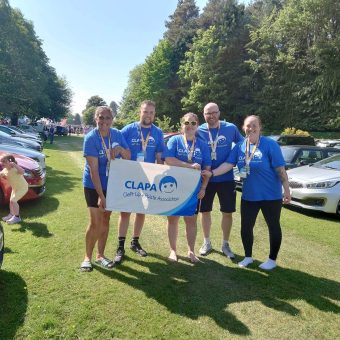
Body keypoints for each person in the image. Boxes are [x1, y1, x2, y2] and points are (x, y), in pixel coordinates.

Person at [202, 115, 291, 270]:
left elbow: (280, 170)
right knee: (246, 227)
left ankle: (272, 259)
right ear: (243, 128)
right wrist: (212, 173)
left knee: (273, 226)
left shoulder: (270, 144)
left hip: (271, 196)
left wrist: (287, 189)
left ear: (260, 127)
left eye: (254, 125)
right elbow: (229, 164)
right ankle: (248, 256)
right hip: (249, 196)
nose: (251, 128)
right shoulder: (240, 146)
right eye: (248, 126)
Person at [80, 106, 130, 272]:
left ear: (112, 119)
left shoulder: (117, 134)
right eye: (101, 117)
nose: (104, 121)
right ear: (96, 119)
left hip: (112, 184)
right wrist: (101, 195)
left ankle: (100, 255)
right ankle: (87, 257)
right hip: (93, 185)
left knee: (106, 219)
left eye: (107, 118)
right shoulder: (90, 138)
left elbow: (128, 156)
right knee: (95, 222)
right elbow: (94, 170)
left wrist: (121, 150)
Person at [115, 100, 164, 264]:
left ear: (154, 114)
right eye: (145, 111)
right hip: (129, 176)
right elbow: (117, 146)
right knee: (125, 212)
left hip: (147, 178)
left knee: (141, 210)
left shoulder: (157, 132)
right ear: (140, 112)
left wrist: (160, 174)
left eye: (151, 112)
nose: (148, 115)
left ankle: (135, 242)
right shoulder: (128, 129)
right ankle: (120, 246)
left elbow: (159, 156)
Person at [196, 103, 243, 258]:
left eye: (214, 113)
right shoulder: (199, 130)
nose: (211, 116)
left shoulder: (231, 128)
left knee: (227, 212)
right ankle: (207, 242)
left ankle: (225, 244)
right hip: (204, 180)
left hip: (226, 178)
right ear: (203, 115)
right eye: (208, 113)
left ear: (219, 113)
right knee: (205, 211)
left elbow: (243, 145)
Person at [164, 113, 211, 263]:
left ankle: (191, 251)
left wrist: (203, 188)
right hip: (174, 187)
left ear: (197, 125)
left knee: (191, 220)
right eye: (186, 123)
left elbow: (207, 169)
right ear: (181, 125)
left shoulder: (202, 145)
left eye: (192, 123)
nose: (189, 126)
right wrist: (189, 166)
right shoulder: (175, 140)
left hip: (193, 190)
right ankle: (173, 250)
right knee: (173, 219)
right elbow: (168, 160)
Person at [0, 154, 28, 224]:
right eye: (1, 161)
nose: (2, 163)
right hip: (15, 188)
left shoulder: (15, 168)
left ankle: (17, 217)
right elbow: (1, 174)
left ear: (10, 162)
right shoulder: (5, 170)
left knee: (13, 200)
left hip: (22, 187)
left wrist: (15, 165)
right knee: (11, 201)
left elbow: (22, 172)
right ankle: (11, 215)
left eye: (4, 162)